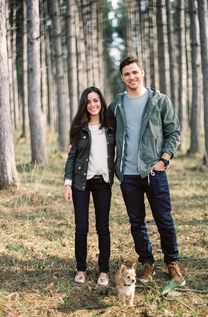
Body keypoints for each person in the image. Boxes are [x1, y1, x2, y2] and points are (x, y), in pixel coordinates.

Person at [108, 56, 185, 285]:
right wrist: (78, 141)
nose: (131, 77)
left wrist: (164, 159)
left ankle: (171, 262)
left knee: (164, 219)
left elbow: (174, 132)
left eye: (135, 72)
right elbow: (101, 128)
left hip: (154, 171)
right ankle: (147, 263)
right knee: (136, 221)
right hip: (128, 174)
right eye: (126, 74)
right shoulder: (117, 105)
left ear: (142, 72)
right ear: (122, 77)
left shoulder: (159, 101)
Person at [64, 86, 115, 286]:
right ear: (84, 105)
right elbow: (71, 157)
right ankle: (81, 268)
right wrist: (67, 184)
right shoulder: (79, 128)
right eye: (88, 102)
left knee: (103, 227)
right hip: (80, 182)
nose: (92, 105)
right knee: (81, 227)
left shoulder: (111, 126)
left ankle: (104, 270)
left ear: (101, 102)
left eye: (96, 100)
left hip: (103, 182)